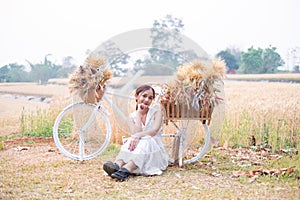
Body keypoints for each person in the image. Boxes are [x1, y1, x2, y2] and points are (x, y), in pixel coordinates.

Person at [103, 84, 169, 181]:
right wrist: (138, 113)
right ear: (136, 96)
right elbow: (136, 132)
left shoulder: (157, 113)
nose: (147, 100)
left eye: (150, 98)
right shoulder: (132, 117)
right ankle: (117, 165)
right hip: (139, 149)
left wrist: (137, 135)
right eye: (144, 96)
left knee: (146, 138)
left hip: (154, 151)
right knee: (131, 140)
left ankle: (126, 170)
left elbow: (154, 131)